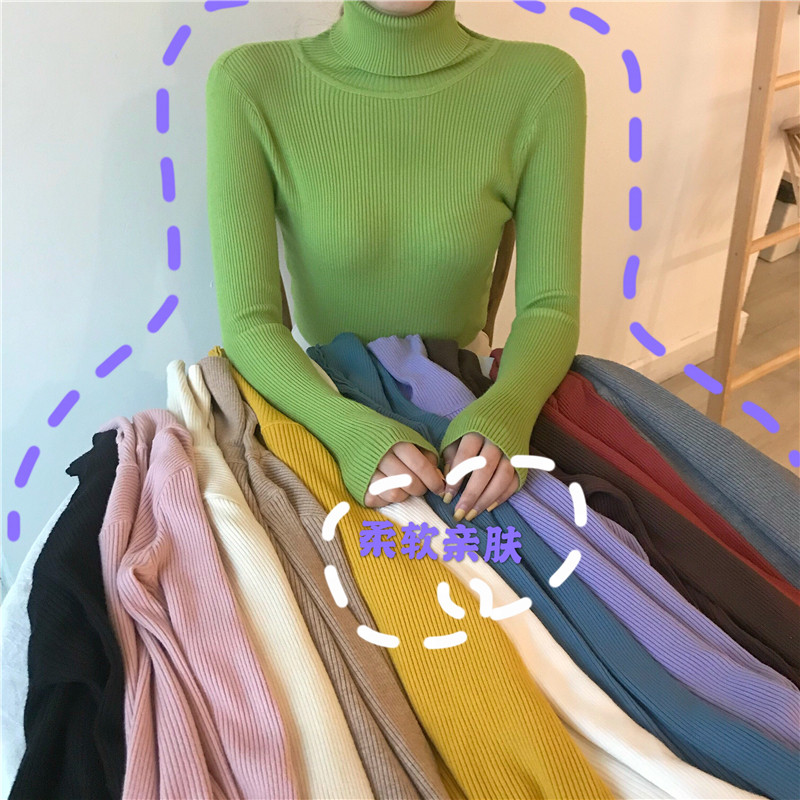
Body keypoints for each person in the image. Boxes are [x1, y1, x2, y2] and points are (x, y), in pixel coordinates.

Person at [205, 0, 587, 518]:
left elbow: (549, 307)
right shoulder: (251, 82)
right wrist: (345, 429)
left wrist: (506, 410)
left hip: (470, 403)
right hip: (323, 398)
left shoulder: (542, 82)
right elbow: (250, 322)